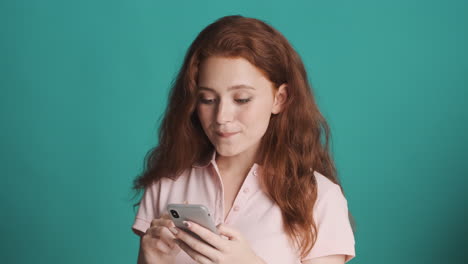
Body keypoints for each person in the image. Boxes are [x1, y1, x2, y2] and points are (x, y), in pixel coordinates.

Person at [131, 15, 356, 264]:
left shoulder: (321, 198)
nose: (221, 117)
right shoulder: (167, 184)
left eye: (241, 99)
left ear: (280, 98)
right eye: (207, 99)